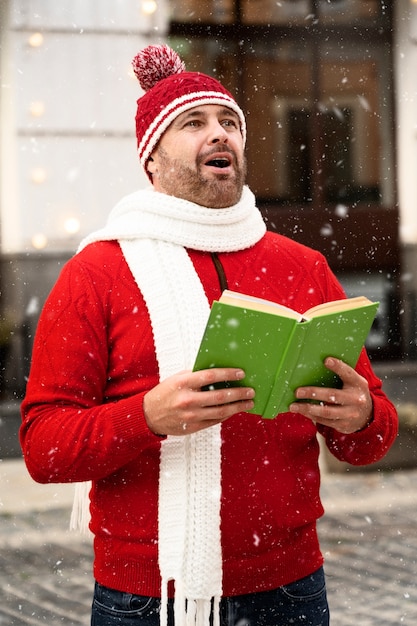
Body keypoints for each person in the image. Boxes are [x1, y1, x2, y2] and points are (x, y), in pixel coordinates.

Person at [20, 44, 398, 626]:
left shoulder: (303, 267)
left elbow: (369, 441)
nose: (219, 134)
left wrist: (360, 416)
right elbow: (44, 447)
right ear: (151, 159)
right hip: (146, 598)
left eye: (229, 123)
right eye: (193, 123)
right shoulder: (96, 272)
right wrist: (145, 415)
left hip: (291, 589)